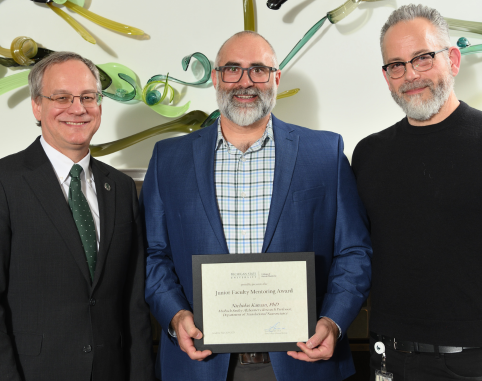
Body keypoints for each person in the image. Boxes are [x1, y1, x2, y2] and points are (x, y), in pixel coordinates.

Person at [142, 30, 372, 381]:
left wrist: (333, 320)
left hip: (304, 360)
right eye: (232, 69)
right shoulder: (167, 159)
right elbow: (154, 254)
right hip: (201, 363)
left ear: (276, 79)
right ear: (216, 79)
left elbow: (354, 250)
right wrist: (175, 317)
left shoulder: (324, 153)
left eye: (259, 70)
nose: (245, 82)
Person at [352, 4, 482, 380]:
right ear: (386, 77)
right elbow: (355, 253)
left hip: (477, 363)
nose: (410, 76)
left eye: (422, 59)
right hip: (388, 360)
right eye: (396, 65)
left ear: (452, 60)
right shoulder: (368, 155)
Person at [0, 52, 155, 381]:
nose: (78, 108)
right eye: (61, 97)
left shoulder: (123, 188)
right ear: (36, 106)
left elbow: (133, 302)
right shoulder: (5, 181)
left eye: (88, 97)